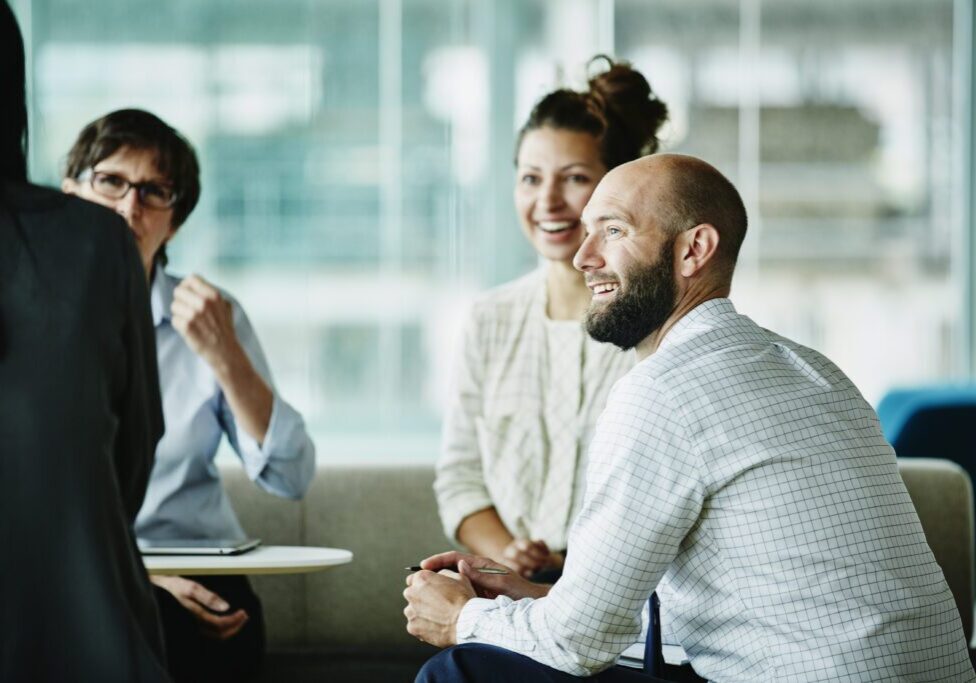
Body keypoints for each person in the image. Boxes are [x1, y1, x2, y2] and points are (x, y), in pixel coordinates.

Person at [405, 153, 976, 682]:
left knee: (461, 671)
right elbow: (748, 612)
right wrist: (526, 596)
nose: (583, 258)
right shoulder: (815, 370)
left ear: (693, 249)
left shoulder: (662, 394)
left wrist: (462, 619)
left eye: (613, 230)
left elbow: (580, 644)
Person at [61, 109, 316, 682]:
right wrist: (140, 582)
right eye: (111, 182)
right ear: (70, 192)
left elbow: (291, 476)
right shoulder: (34, 318)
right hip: (85, 573)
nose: (130, 208)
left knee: (211, 623)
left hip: (203, 565)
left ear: (175, 219)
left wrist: (226, 357)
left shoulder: (209, 315)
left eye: (154, 191)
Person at [434, 57, 668, 581]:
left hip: (619, 589)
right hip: (507, 587)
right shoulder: (488, 319)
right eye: (531, 178)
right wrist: (511, 558)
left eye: (575, 178)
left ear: (616, 189)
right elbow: (459, 480)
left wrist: (569, 567)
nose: (548, 202)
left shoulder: (655, 327)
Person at [0, 3, 169, 680]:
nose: (132, 202)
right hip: (90, 631)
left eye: (155, 190)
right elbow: (133, 448)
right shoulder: (96, 244)